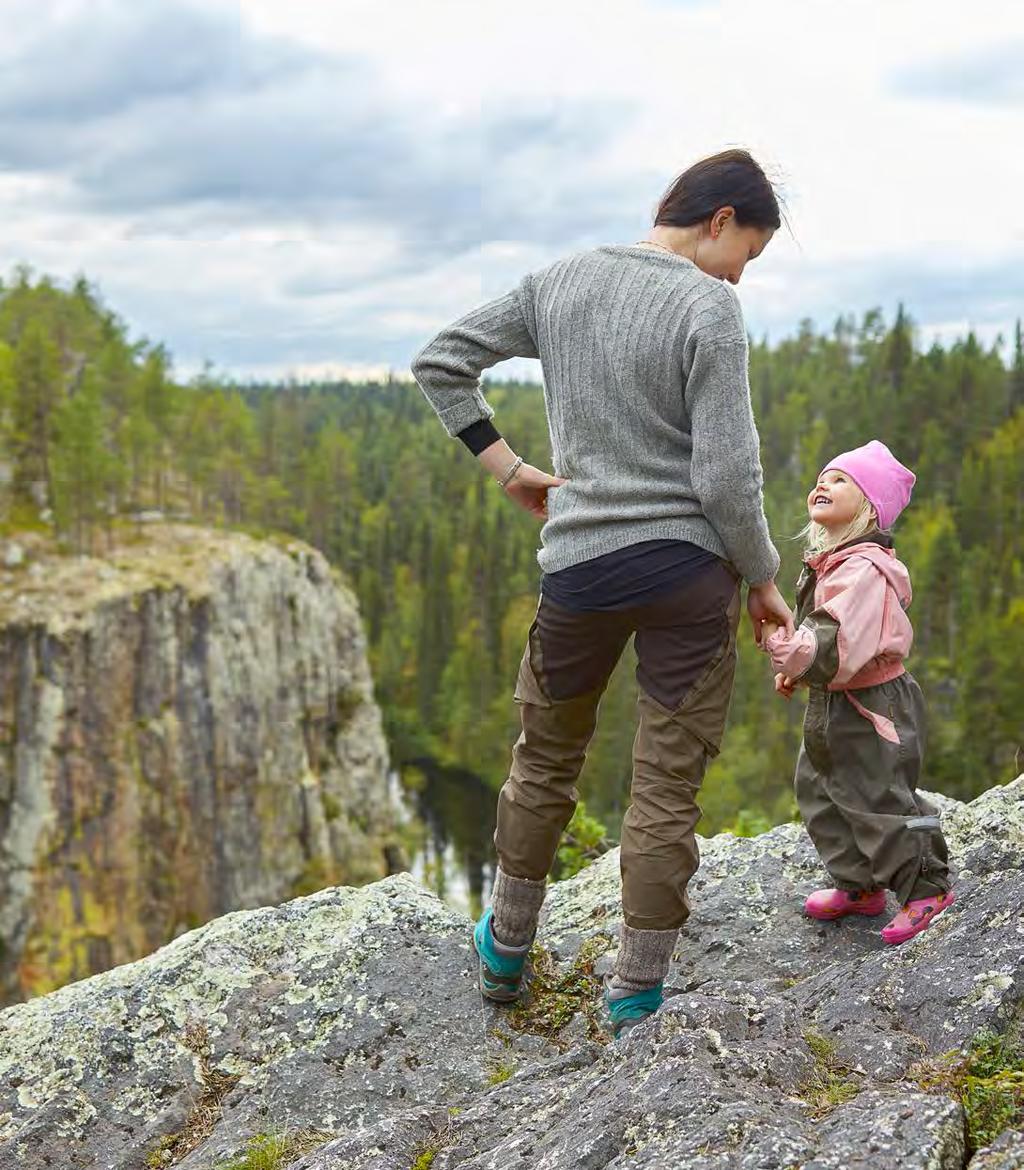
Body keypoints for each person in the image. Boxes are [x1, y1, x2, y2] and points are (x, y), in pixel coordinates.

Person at [411, 149, 794, 1037]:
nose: (744, 272)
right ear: (721, 219)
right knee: (664, 786)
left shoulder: (559, 283)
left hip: (579, 568)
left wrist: (505, 467)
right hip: (689, 575)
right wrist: (765, 580)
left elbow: (441, 363)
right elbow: (729, 478)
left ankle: (505, 950)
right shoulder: (709, 306)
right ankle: (636, 993)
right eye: (752, 252)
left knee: (543, 757)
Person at [761, 440, 955, 945]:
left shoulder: (867, 567)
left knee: (880, 796)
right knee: (821, 790)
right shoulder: (831, 560)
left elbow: (839, 640)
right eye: (822, 476)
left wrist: (789, 650)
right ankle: (858, 883)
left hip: (874, 704)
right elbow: (824, 637)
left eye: (841, 479)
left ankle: (925, 888)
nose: (823, 483)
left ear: (869, 505)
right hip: (834, 700)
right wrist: (802, 673)